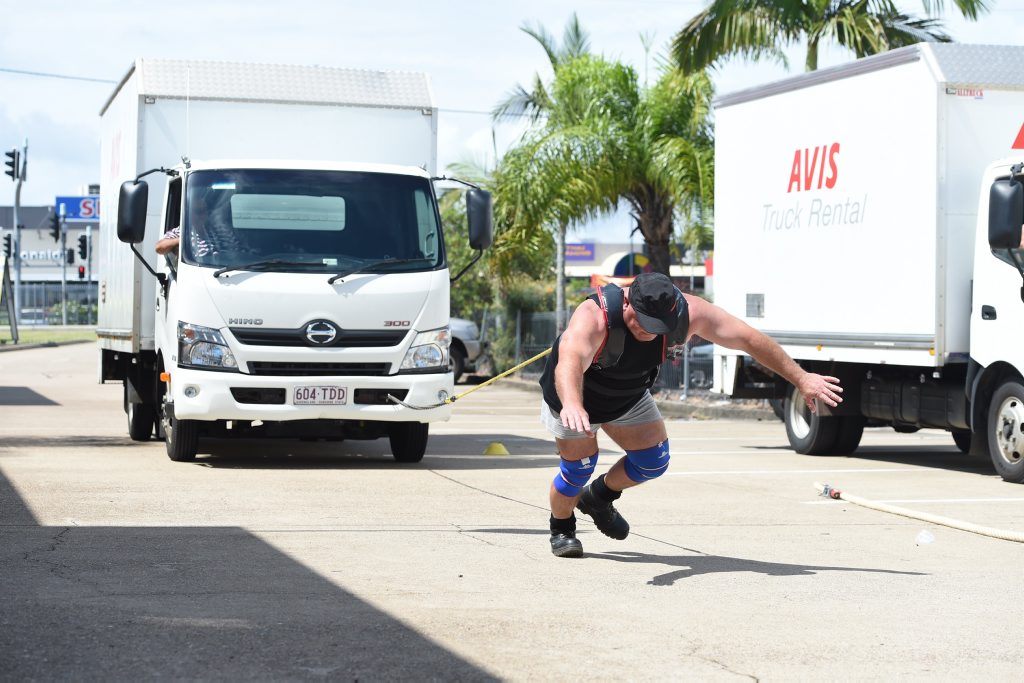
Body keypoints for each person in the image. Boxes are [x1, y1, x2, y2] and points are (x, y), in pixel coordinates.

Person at [539, 272, 843, 558]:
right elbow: (569, 360)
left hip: (628, 397)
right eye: (643, 322)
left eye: (659, 325)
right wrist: (572, 404)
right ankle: (562, 526)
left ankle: (599, 496)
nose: (649, 331)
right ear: (628, 300)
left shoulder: (690, 313)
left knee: (652, 461)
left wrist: (801, 379)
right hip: (575, 398)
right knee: (578, 469)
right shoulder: (594, 316)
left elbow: (748, 339)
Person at [154, 197, 246, 258]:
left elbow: (240, 252)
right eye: (198, 211)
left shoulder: (221, 229)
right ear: (188, 213)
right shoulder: (182, 231)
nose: (202, 215)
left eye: (204, 211)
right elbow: (159, 247)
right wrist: (181, 240)